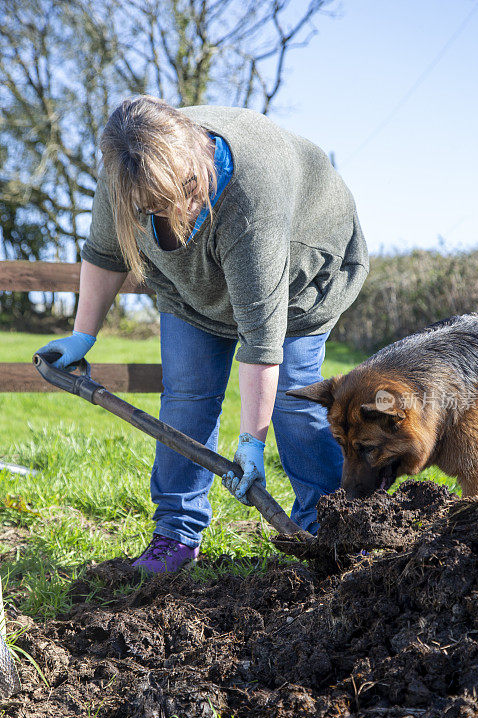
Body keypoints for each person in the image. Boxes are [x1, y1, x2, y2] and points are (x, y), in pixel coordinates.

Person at [37, 95, 369, 574]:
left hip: (301, 277)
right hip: (190, 289)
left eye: (186, 191)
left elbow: (260, 339)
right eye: (157, 206)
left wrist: (251, 441)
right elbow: (106, 254)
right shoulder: (126, 174)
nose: (181, 211)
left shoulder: (251, 197)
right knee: (187, 398)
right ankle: (175, 534)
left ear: (196, 159)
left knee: (294, 403)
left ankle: (331, 529)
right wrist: (82, 336)